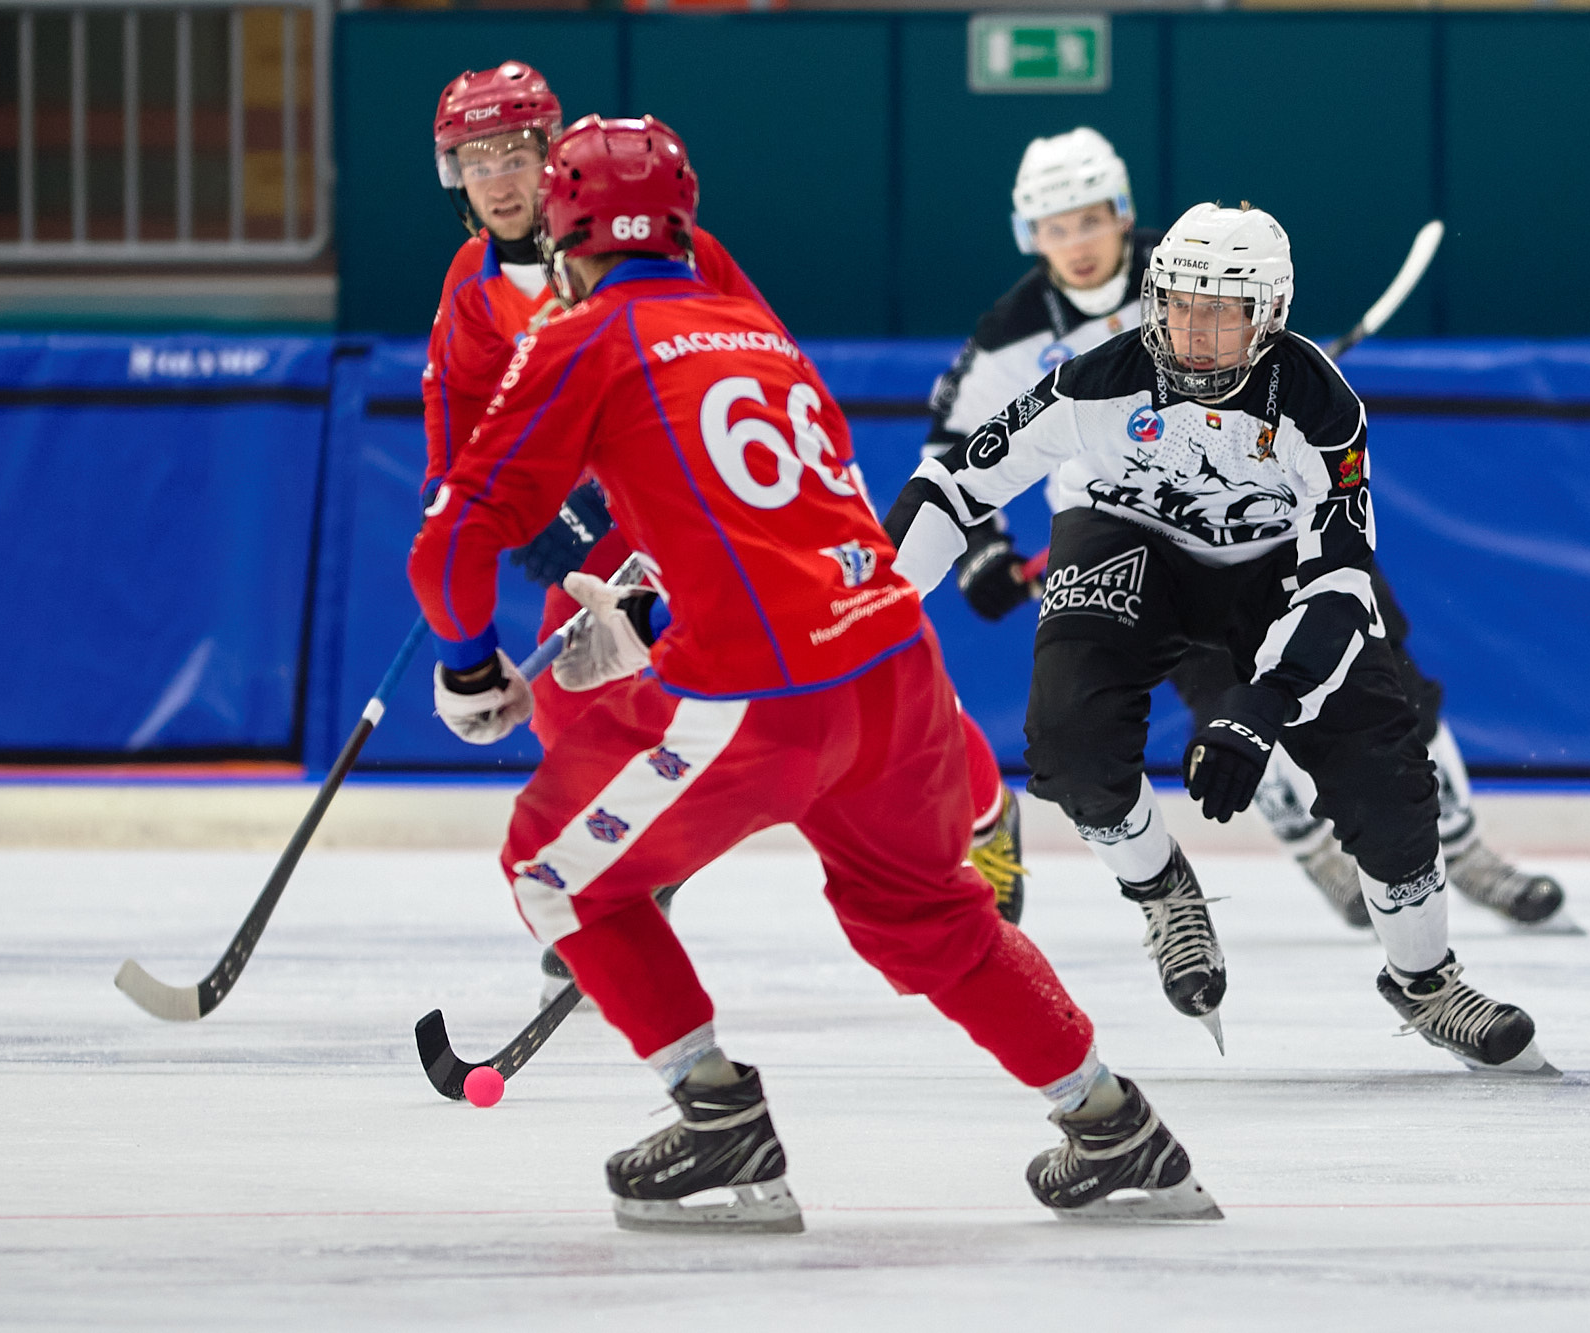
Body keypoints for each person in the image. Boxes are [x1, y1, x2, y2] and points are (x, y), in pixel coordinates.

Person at [406, 115, 1217, 1231]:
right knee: (929, 917)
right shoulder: (748, 323)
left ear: (568, 233)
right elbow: (771, 503)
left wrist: (466, 670)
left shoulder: (579, 337)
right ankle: (1113, 1125)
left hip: (757, 693)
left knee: (552, 874)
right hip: (894, 671)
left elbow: (447, 541)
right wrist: (647, 612)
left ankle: (715, 1122)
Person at [886, 201, 1554, 1076]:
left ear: (1267, 316)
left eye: (1220, 311)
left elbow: (1342, 582)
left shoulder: (1322, 409)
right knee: (1070, 742)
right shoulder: (1093, 381)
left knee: (1389, 782)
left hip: (1277, 569)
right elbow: (953, 486)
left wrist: (1265, 704)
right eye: (1178, 305)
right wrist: (874, 602)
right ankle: (1163, 888)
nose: (1193, 332)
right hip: (1125, 541)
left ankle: (1426, 981)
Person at [425, 65, 1027, 964]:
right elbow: (460, 433)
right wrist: (479, 513)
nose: (500, 180)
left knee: (861, 657)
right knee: (564, 696)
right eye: (477, 162)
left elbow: (761, 365)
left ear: (552, 159)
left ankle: (984, 808)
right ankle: (630, 867)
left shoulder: (665, 250)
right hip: (609, 514)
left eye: (515, 153)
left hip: (715, 498)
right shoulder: (472, 287)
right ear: (455, 180)